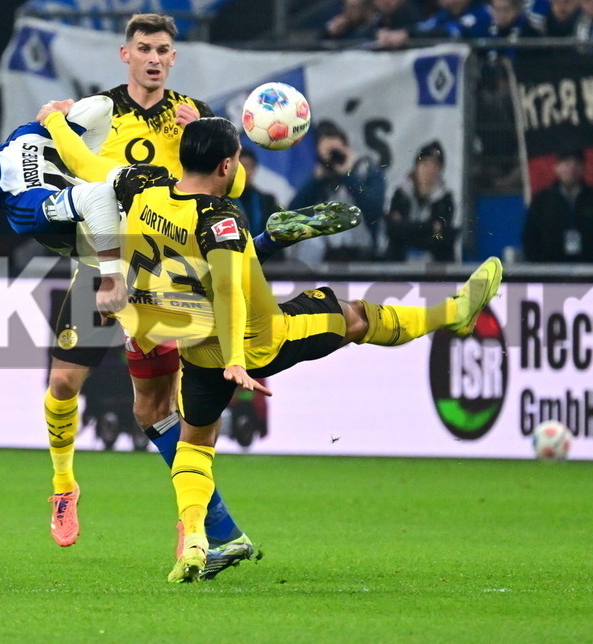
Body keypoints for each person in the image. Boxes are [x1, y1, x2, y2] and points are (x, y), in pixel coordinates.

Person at [101, 116, 503, 582]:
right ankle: (454, 313)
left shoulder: (144, 190)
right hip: (260, 341)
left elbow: (111, 194)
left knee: (194, 446)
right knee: (354, 316)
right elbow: (229, 291)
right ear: (228, 164)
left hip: (194, 350)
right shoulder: (219, 219)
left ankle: (194, 542)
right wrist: (236, 359)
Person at [32, 13, 358, 570]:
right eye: (144, 48)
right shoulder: (99, 112)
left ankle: (203, 528)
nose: (154, 58)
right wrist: (53, 124)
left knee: (159, 408)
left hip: (168, 281)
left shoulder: (193, 113)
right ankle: (64, 485)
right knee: (63, 381)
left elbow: (230, 182)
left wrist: (203, 123)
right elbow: (60, 158)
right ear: (125, 54)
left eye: (162, 49)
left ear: (173, 58)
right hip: (106, 261)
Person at [289, 120, 387, 262]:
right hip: (325, 257)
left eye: (336, 152)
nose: (332, 159)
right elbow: (293, 214)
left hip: (363, 256)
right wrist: (316, 180)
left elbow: (374, 210)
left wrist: (348, 175)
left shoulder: (367, 172)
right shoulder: (319, 180)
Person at [522, 148, 593, 262]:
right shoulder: (542, 200)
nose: (571, 168)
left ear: (583, 168)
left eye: (577, 163)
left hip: (591, 266)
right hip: (551, 268)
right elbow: (530, 237)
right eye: (566, 163)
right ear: (556, 168)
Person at [385, 140, 457, 262]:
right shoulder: (401, 194)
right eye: (425, 164)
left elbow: (443, 236)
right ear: (416, 166)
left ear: (440, 170)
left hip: (436, 266)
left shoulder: (446, 198)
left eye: (435, 165)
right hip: (400, 264)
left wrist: (407, 227)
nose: (429, 170)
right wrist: (429, 227)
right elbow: (393, 230)